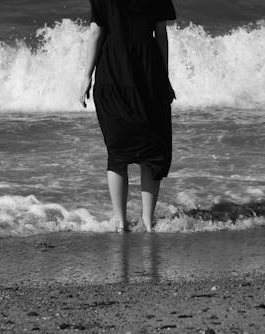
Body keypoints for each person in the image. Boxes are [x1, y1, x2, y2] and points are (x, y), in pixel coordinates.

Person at [79, 0, 176, 232]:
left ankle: (120, 222)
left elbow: (96, 32)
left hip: (112, 73)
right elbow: (161, 34)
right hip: (147, 72)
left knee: (117, 152)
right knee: (152, 151)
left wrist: (86, 77)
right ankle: (148, 221)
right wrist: (164, 77)